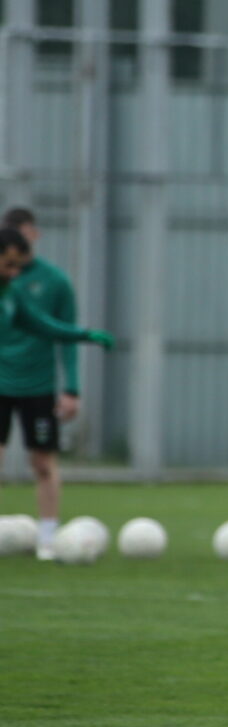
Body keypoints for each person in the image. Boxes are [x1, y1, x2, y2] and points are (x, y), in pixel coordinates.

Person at [0, 227, 115, 561]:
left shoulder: (11, 293)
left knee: (42, 459)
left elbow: (43, 324)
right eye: (8, 264)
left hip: (36, 387)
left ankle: (48, 538)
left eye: (18, 265)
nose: (14, 272)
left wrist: (85, 335)